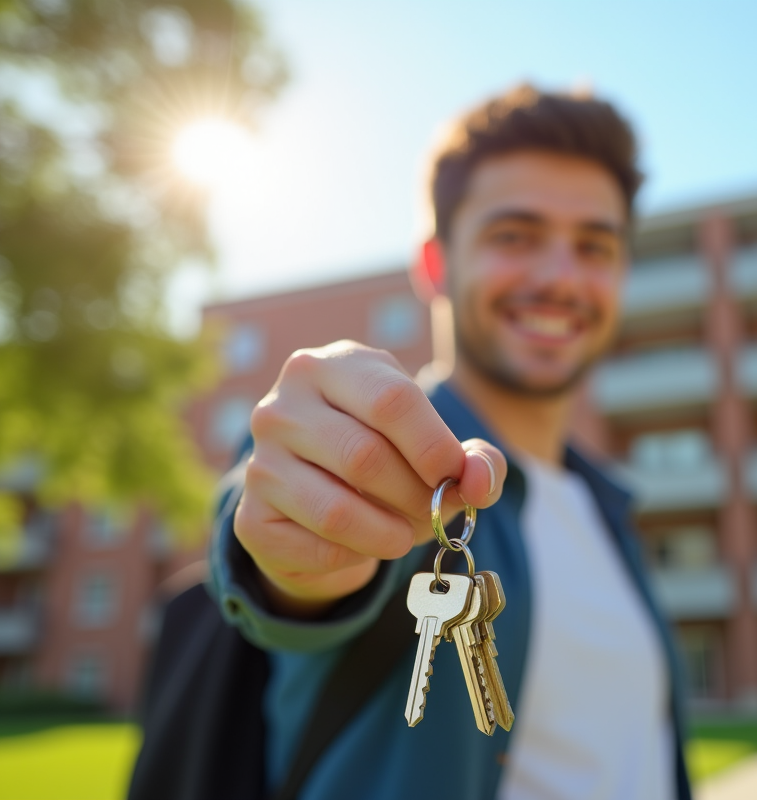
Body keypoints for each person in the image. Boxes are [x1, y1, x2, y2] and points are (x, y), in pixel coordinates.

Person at [130, 84, 693, 800]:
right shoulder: (382, 453)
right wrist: (296, 548)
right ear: (435, 264)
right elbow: (295, 546)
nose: (559, 277)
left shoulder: (610, 509)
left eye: (594, 246)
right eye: (514, 236)